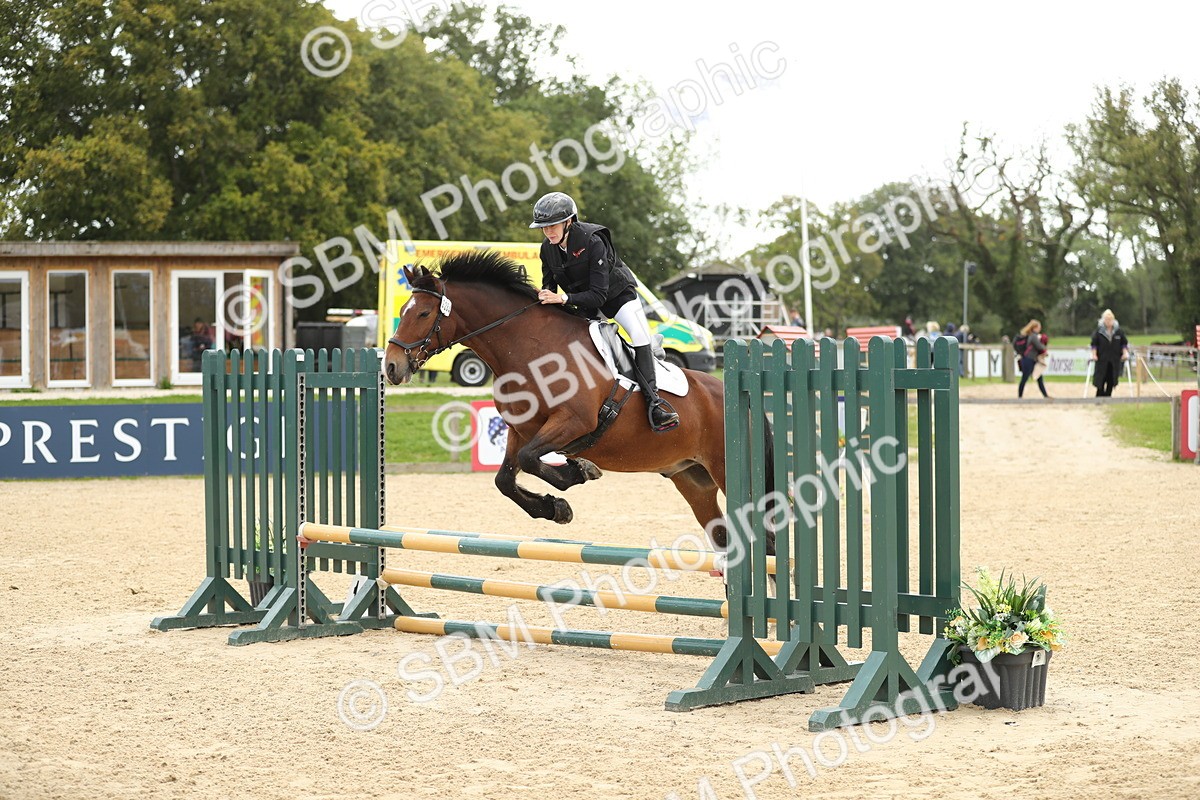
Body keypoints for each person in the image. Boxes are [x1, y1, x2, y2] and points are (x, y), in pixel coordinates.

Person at [530, 191, 679, 432]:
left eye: (552, 226)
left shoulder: (593, 241)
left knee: (639, 335)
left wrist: (563, 298)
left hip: (617, 296)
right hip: (584, 303)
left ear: (569, 222)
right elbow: (550, 288)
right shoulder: (547, 249)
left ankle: (655, 404)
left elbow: (599, 295)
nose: (548, 232)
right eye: (543, 228)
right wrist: (541, 296)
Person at [1090, 308, 1130, 397]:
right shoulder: (1099, 331)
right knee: (1101, 379)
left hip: (1114, 360)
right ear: (1103, 320)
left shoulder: (1119, 331)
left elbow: (1124, 343)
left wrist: (1125, 353)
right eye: (1107, 319)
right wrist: (1094, 354)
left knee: (1111, 379)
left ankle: (1108, 396)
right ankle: (1099, 397)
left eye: (1110, 319)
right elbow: (1094, 344)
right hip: (1102, 359)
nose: (1108, 321)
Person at [1017, 319, 1050, 399]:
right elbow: (1039, 346)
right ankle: (1020, 396)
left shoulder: (1030, 335)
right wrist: (1044, 345)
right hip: (1029, 360)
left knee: (1039, 378)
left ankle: (1045, 395)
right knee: (1025, 378)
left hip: (1031, 359)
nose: (1040, 329)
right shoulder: (1034, 336)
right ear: (1034, 328)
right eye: (1039, 327)